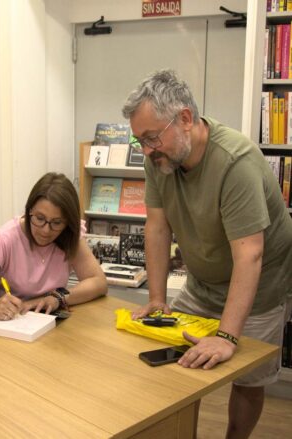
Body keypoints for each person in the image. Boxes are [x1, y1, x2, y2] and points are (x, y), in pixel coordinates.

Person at [122, 69, 292, 439]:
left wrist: (228, 337)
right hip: (203, 283)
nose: (147, 150)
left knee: (247, 378)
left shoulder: (236, 162)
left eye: (151, 138)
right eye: (141, 141)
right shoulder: (159, 158)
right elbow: (157, 227)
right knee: (179, 365)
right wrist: (156, 298)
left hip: (259, 286)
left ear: (185, 119)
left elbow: (250, 255)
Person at [0, 172, 107, 320]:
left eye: (56, 222)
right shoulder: (5, 239)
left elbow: (98, 282)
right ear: (29, 210)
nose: (46, 230)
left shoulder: (69, 235)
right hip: (6, 326)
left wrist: (58, 298)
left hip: (47, 327)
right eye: (39, 218)